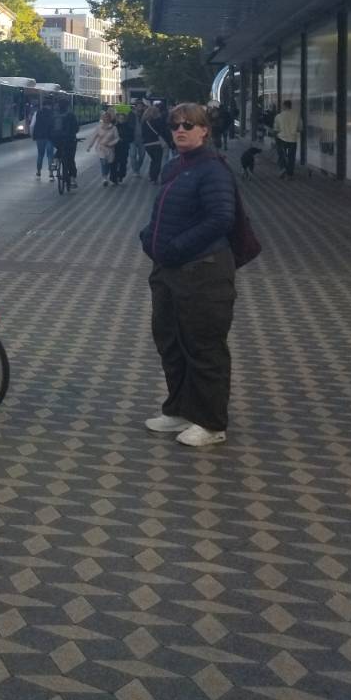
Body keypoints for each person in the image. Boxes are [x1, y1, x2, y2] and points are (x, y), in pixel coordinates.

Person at [139, 101, 239, 448]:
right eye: (175, 125)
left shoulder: (213, 169)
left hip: (204, 272)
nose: (180, 130)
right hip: (169, 271)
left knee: (204, 347)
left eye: (188, 124)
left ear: (204, 130)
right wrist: (148, 237)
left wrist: (175, 247)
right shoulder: (176, 166)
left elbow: (221, 218)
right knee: (170, 342)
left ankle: (211, 423)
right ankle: (180, 409)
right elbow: (162, 211)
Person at [87, 110, 119, 186]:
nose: (106, 119)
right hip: (101, 148)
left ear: (110, 119)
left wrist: (111, 143)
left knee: (109, 163)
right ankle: (104, 178)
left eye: (107, 118)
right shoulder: (98, 127)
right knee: (103, 162)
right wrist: (89, 146)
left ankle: (107, 174)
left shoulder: (114, 128)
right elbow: (93, 137)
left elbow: (117, 138)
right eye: (104, 118)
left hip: (110, 149)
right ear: (102, 118)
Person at [140, 100, 168, 183]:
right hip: (157, 143)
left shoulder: (144, 122)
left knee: (153, 160)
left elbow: (143, 134)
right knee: (157, 161)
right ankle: (154, 177)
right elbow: (163, 131)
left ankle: (151, 176)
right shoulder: (158, 121)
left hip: (147, 144)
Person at [52, 100, 79, 184]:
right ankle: (72, 179)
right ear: (67, 107)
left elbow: (51, 128)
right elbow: (76, 128)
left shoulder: (55, 116)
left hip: (57, 139)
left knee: (60, 149)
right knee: (70, 159)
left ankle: (55, 161)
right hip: (70, 140)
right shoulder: (71, 115)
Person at [273, 100, 300, 178]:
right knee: (292, 157)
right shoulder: (296, 115)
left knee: (281, 155)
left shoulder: (279, 116)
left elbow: (276, 129)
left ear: (284, 106)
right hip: (293, 139)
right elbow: (300, 128)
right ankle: (290, 174)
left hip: (281, 138)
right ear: (290, 106)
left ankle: (283, 168)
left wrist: (276, 139)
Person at [30, 103, 56, 178]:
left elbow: (32, 125)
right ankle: (51, 174)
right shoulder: (52, 114)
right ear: (49, 106)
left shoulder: (37, 113)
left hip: (40, 138)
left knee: (40, 155)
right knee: (50, 156)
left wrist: (32, 136)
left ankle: (38, 172)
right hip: (50, 138)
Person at [112, 105, 135, 184]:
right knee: (114, 162)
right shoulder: (114, 127)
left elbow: (131, 138)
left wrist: (124, 140)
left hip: (124, 147)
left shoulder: (129, 127)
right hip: (114, 147)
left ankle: (121, 176)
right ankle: (113, 178)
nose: (121, 119)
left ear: (125, 119)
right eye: (119, 118)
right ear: (117, 118)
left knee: (123, 162)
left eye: (122, 118)